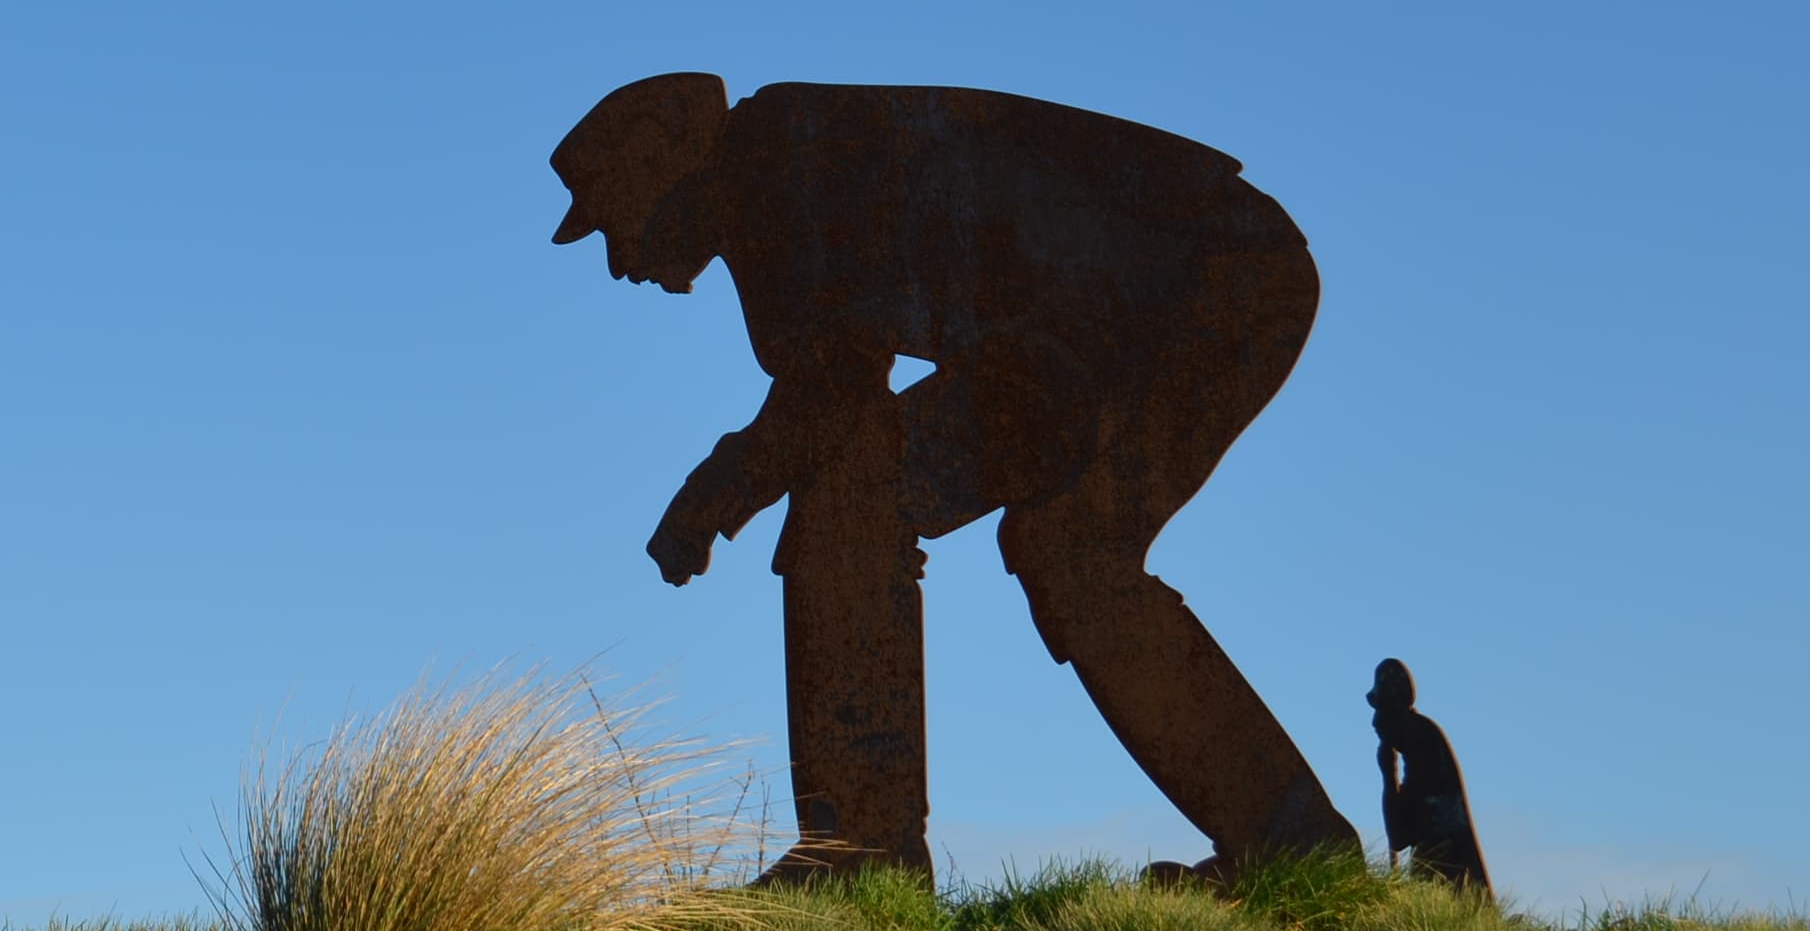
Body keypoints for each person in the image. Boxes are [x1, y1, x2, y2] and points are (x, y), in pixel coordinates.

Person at [551, 74, 1358, 879]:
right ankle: (1293, 847)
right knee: (1055, 544)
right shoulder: (776, 164)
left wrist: (709, 498)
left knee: (873, 496)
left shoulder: (781, 157)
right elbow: (833, 381)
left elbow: (832, 388)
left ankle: (864, 853)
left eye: (614, 221)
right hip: (1134, 303)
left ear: (662, 159)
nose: (621, 259)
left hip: (1202, 280)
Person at [1368, 658, 1490, 890]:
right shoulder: (1422, 737)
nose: (1376, 724)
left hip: (1444, 851)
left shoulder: (1423, 741)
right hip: (1439, 843)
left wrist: (1388, 774)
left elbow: (1399, 837)